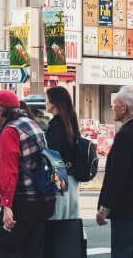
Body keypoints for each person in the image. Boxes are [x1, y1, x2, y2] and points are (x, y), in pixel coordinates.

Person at [0, 90, 55, 258]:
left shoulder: (10, 132)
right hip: (42, 199)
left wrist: (6, 206)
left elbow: (8, 170)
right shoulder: (31, 124)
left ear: (0, 111)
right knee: (31, 252)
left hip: (20, 202)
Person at [95, 85, 133, 258]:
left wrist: (105, 208)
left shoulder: (126, 135)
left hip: (128, 209)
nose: (113, 106)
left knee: (122, 252)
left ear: (124, 107)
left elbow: (117, 175)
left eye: (115, 103)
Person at [44, 86, 81, 221]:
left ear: (54, 103)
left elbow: (55, 158)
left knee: (57, 220)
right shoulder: (71, 124)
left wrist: (58, 188)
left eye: (47, 99)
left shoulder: (56, 126)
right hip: (72, 179)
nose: (45, 102)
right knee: (71, 220)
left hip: (61, 179)